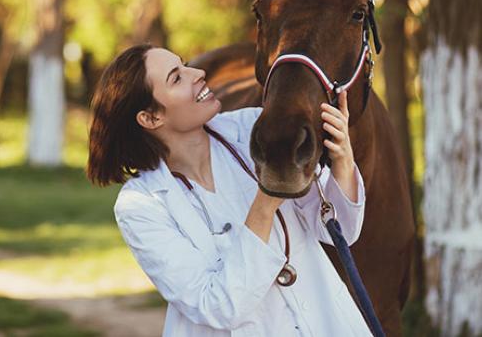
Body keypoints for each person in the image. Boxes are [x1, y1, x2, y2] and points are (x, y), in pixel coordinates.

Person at [86, 43, 372, 337]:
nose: (197, 73)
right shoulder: (141, 206)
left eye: (185, 64)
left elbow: (341, 231)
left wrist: (342, 159)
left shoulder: (253, 130)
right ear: (151, 117)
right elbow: (217, 306)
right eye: (176, 78)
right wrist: (265, 202)